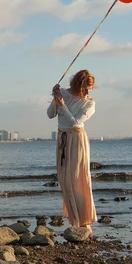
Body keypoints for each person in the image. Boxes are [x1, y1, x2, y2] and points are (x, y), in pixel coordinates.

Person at [47, 69, 97, 234]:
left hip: (77, 139)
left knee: (78, 178)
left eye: (90, 87)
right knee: (64, 179)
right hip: (63, 139)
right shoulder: (63, 93)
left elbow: (76, 123)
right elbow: (50, 115)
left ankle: (85, 220)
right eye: (85, 88)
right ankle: (74, 219)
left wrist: (63, 105)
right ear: (77, 85)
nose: (88, 91)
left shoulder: (89, 103)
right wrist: (55, 100)